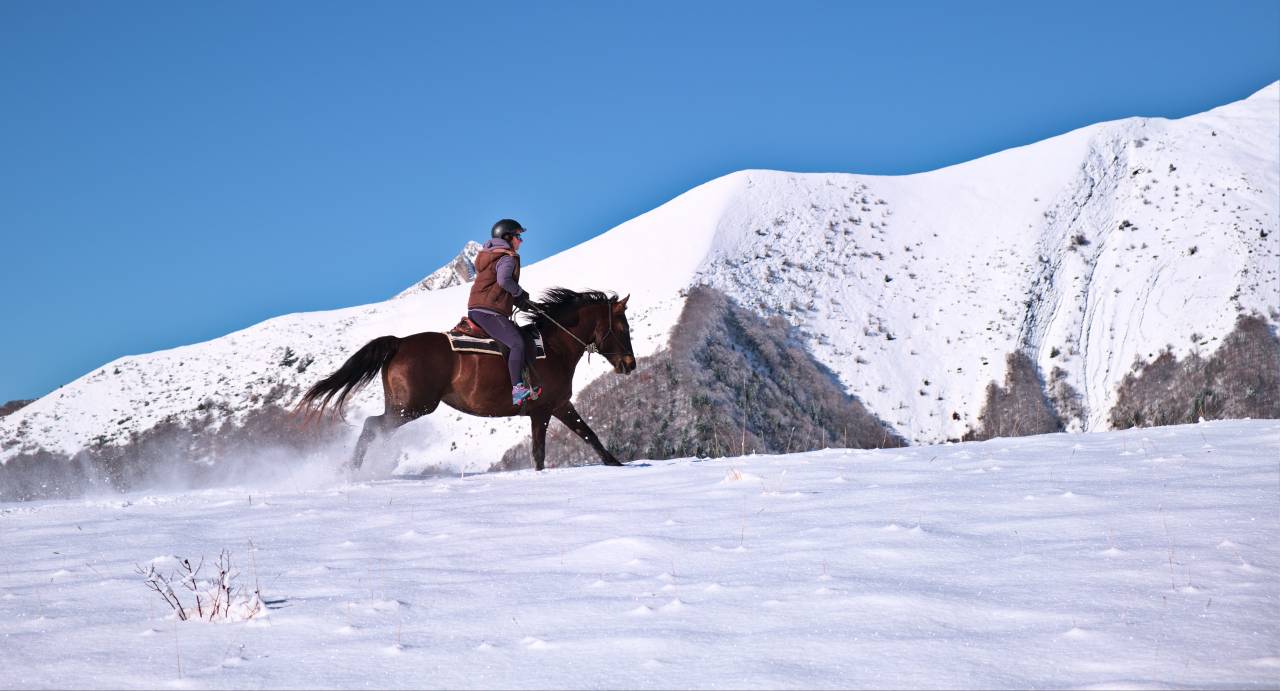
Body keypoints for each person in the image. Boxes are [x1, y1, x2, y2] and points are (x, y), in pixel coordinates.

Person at [467, 219, 541, 405]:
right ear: (507, 237)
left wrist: (522, 302)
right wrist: (520, 292)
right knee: (516, 342)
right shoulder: (507, 257)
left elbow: (497, 286)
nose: (521, 241)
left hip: (481, 309)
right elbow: (504, 281)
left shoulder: (493, 255)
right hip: (488, 311)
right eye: (518, 236)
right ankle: (517, 389)